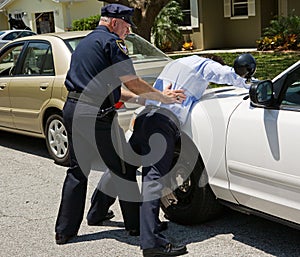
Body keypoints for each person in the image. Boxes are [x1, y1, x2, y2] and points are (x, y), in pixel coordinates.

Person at [55, 3, 185, 245]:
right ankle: (137, 226)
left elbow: (118, 91)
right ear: (115, 22)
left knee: (77, 170)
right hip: (96, 115)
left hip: (74, 110)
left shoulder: (85, 43)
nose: (128, 31)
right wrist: (163, 97)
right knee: (124, 168)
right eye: (127, 25)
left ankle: (64, 231)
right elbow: (132, 81)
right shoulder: (112, 43)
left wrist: (147, 98)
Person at [128, 53, 256, 256]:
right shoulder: (204, 64)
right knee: (153, 181)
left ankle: (96, 212)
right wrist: (254, 85)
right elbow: (226, 74)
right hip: (162, 124)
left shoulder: (176, 64)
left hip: (145, 117)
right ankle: (151, 243)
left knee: (124, 166)